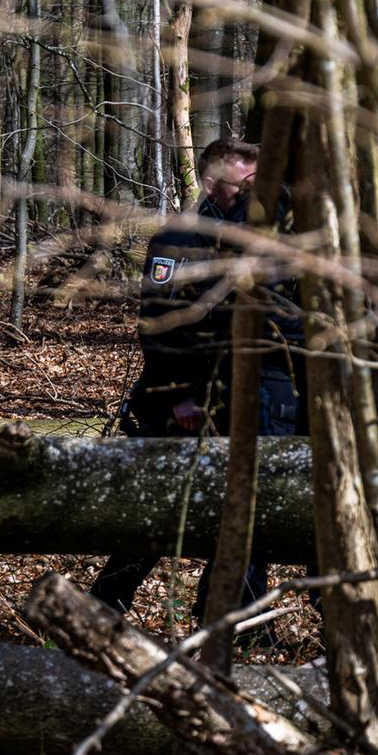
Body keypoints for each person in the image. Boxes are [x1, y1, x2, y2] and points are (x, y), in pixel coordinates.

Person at [89, 139, 307, 624]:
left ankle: (232, 618)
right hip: (192, 395)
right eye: (244, 180)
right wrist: (179, 395)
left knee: (254, 506)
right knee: (167, 505)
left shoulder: (276, 234)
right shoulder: (180, 239)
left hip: (263, 391)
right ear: (212, 182)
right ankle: (105, 603)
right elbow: (159, 324)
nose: (254, 188)